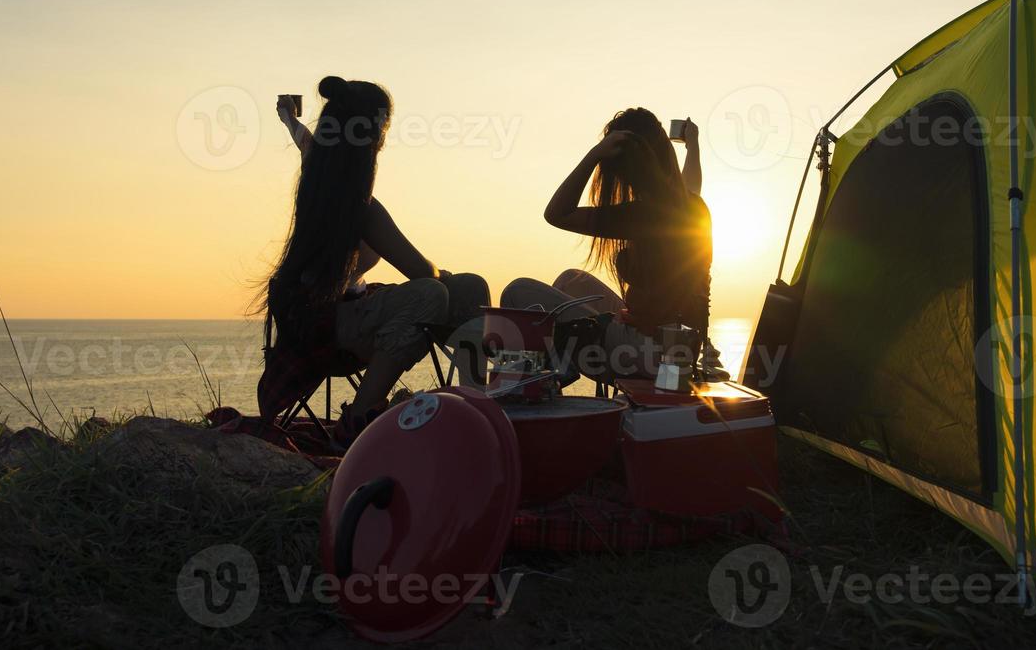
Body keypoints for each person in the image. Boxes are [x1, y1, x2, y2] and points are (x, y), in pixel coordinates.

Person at [257, 76, 488, 448]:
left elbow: (304, 140)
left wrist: (288, 116)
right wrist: (443, 276)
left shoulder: (317, 174)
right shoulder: (360, 209)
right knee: (440, 292)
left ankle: (475, 402)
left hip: (306, 323)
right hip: (334, 332)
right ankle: (361, 419)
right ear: (374, 134)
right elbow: (420, 272)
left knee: (458, 288)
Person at [501, 107, 728, 381]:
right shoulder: (691, 207)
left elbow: (556, 214)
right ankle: (561, 362)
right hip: (681, 348)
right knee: (571, 280)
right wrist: (693, 145)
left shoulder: (642, 214)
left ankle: (528, 383)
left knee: (517, 291)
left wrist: (594, 154)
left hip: (651, 353)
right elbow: (691, 185)